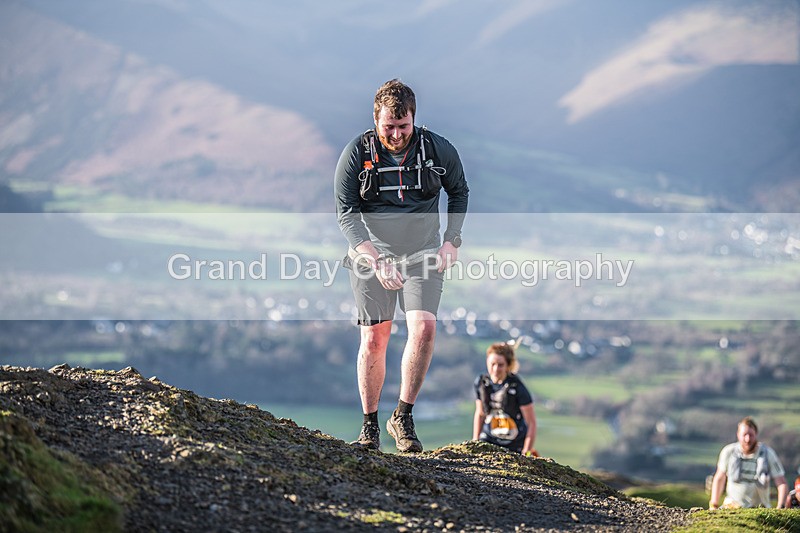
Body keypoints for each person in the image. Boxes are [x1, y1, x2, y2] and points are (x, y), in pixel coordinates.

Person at [334, 79, 469, 452]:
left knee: (424, 329)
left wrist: (451, 240)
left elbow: (459, 191)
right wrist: (377, 261)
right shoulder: (356, 153)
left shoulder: (437, 149)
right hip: (370, 255)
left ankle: (403, 416)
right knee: (375, 338)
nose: (396, 135)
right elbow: (346, 214)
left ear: (414, 119)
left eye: (403, 126)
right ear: (375, 119)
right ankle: (369, 427)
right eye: (388, 127)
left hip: (423, 253)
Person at [473, 341, 537, 455]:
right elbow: (480, 413)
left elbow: (531, 423)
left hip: (514, 443)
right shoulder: (481, 383)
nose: (495, 369)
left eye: (500, 365)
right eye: (492, 364)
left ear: (508, 365)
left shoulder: (517, 387)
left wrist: (526, 452)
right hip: (489, 439)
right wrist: (475, 441)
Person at [709, 416, 788, 509]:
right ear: (738, 435)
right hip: (731, 507)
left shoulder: (768, 453)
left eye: (751, 435)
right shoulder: (728, 452)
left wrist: (780, 507)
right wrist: (714, 504)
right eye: (744, 435)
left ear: (756, 434)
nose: (748, 439)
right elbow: (719, 478)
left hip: (760, 508)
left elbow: (781, 482)